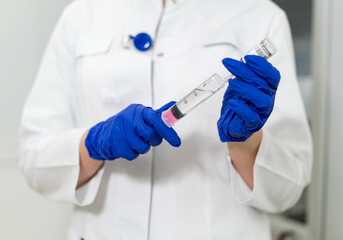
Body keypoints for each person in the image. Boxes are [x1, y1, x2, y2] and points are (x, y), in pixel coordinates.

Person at [19, 0, 312, 239]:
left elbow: (287, 189)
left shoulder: (260, 16)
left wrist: (245, 141)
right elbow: (35, 159)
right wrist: (92, 144)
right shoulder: (81, 15)